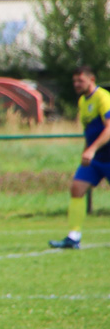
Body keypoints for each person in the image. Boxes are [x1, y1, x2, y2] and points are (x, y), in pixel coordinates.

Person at [49, 66, 110, 249]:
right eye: (74, 81)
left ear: (92, 79)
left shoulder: (103, 98)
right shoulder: (83, 101)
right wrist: (87, 152)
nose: (76, 84)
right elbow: (89, 131)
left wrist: (91, 150)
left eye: (80, 81)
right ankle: (73, 237)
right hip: (96, 159)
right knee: (77, 188)